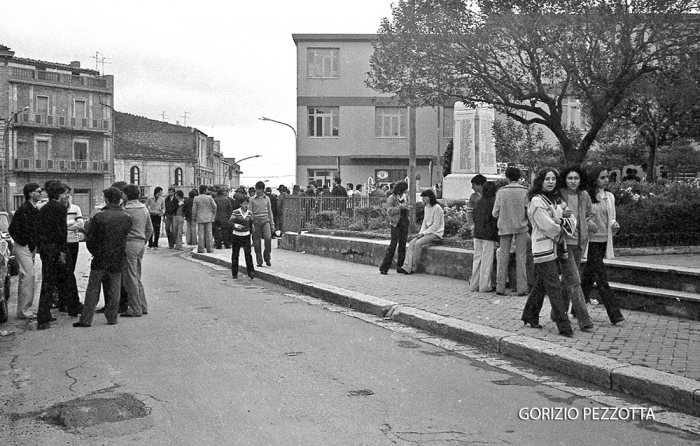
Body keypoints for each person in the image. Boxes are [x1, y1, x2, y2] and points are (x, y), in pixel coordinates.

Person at [520, 168, 575, 338]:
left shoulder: (558, 199)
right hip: (543, 248)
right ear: (541, 181)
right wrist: (563, 225)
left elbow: (572, 219)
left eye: (553, 179)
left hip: (557, 246)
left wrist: (561, 221)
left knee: (543, 284)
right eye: (547, 179)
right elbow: (546, 225)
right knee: (554, 286)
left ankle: (529, 314)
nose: (550, 182)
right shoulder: (536, 201)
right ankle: (564, 326)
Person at [73, 187, 133, 328]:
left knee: (93, 289)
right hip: (118, 257)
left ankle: (86, 319)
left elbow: (90, 238)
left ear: (106, 199)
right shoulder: (126, 217)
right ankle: (112, 317)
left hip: (100, 257)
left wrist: (95, 251)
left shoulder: (99, 216)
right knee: (115, 289)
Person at [581, 165, 625, 325]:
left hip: (603, 241)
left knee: (588, 276)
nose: (606, 180)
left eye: (607, 177)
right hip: (591, 242)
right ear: (594, 179)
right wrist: (588, 221)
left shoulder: (609, 197)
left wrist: (614, 224)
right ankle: (615, 314)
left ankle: (575, 308)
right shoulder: (586, 195)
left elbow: (612, 217)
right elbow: (581, 216)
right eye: (602, 177)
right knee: (601, 277)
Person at [36, 181, 81, 329]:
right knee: (68, 277)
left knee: (48, 282)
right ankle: (73, 307)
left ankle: (43, 316)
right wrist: (62, 251)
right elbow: (61, 231)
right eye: (64, 193)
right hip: (58, 248)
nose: (66, 196)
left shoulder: (43, 209)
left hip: (46, 248)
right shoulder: (60, 208)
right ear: (59, 194)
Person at [558, 166, 596, 330]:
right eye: (570, 178)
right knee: (574, 280)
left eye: (576, 178)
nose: (573, 181)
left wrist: (589, 221)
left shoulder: (584, 195)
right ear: (565, 179)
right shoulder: (559, 195)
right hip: (564, 242)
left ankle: (557, 311)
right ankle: (584, 318)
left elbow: (589, 213)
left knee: (568, 279)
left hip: (580, 241)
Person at [492, 167, 531, 296]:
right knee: (521, 258)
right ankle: (522, 288)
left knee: (503, 257)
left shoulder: (501, 192)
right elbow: (528, 212)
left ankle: (500, 287)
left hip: (504, 227)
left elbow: (495, 212)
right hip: (521, 227)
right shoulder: (525, 192)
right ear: (519, 177)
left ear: (507, 177)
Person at [8, 183, 42, 320]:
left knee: (26, 276)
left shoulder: (33, 209)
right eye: (38, 191)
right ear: (31, 193)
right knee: (29, 276)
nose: (41, 194)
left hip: (29, 247)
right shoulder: (24, 210)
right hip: (24, 247)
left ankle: (24, 309)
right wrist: (25, 243)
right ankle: (24, 310)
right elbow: (13, 230)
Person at [121, 184, 154, 317]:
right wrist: (144, 240)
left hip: (129, 243)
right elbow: (150, 229)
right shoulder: (144, 208)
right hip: (140, 243)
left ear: (126, 195)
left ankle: (135, 308)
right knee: (137, 275)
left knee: (130, 277)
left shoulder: (126, 210)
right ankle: (142, 305)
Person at [399, 189, 444, 275]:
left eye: (424, 197)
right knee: (412, 243)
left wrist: (423, 234)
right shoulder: (426, 207)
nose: (423, 198)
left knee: (418, 244)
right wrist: (421, 233)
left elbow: (436, 226)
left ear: (430, 197)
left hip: (436, 233)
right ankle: (407, 266)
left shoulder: (437, 208)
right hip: (427, 232)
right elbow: (424, 222)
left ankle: (413, 267)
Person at [58, 185, 84, 313]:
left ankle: (66, 301)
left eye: (68, 193)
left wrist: (63, 226)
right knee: (62, 273)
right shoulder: (56, 209)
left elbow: (80, 224)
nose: (66, 196)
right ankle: (62, 302)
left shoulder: (75, 208)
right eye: (64, 193)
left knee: (70, 271)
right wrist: (70, 224)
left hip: (73, 242)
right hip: (61, 243)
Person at [470, 181, 498, 292]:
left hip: (477, 233)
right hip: (488, 235)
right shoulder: (492, 203)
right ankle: (484, 286)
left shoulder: (478, 202)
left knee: (477, 259)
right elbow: (494, 220)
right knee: (487, 260)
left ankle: (474, 284)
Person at [379, 181, 411, 275]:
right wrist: (400, 207)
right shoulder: (391, 198)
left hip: (404, 221)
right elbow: (390, 211)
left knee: (403, 244)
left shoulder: (404, 197)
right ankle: (384, 267)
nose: (406, 191)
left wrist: (407, 208)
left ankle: (400, 266)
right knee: (393, 244)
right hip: (395, 223)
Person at [229, 196, 255, 279]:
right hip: (236, 235)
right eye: (244, 204)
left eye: (247, 204)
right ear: (240, 204)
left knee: (248, 254)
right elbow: (230, 222)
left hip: (246, 235)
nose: (246, 205)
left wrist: (252, 230)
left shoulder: (250, 213)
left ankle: (251, 272)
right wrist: (236, 226)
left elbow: (251, 223)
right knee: (235, 254)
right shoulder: (236, 212)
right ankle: (234, 273)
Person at [250, 181, 275, 267]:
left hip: (265, 220)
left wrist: (272, 224)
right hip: (256, 220)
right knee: (257, 241)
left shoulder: (267, 199)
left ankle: (267, 257)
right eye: (257, 189)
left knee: (268, 238)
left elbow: (270, 211)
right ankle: (259, 259)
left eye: (260, 189)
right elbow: (250, 212)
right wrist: (251, 223)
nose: (259, 191)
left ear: (263, 190)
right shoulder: (252, 199)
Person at [192, 184, 217, 253]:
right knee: (209, 233)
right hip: (209, 217)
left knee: (201, 234)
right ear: (205, 190)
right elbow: (215, 206)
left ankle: (201, 249)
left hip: (200, 217)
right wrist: (213, 213)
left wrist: (194, 217)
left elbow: (194, 209)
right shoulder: (209, 197)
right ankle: (210, 248)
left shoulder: (196, 198)